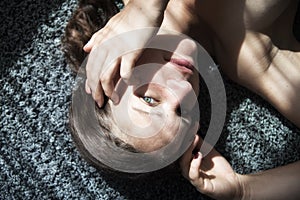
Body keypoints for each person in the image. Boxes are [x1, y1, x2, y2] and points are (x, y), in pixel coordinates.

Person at [62, 0, 300, 199]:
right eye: (183, 111)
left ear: (106, 68)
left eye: (150, 99)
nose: (184, 89)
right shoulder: (254, 58)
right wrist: (244, 191)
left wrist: (142, 9)